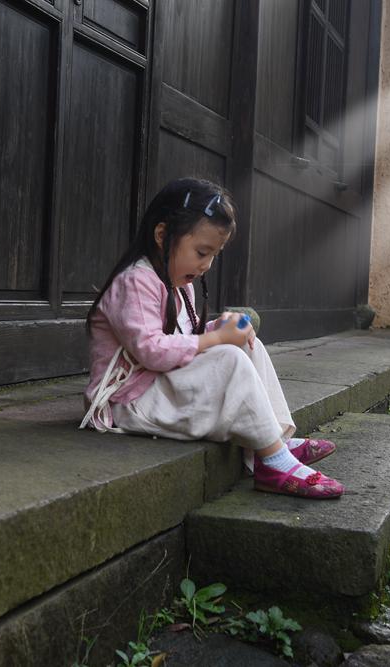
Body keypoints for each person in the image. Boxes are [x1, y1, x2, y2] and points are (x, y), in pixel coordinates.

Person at [80, 177, 344, 499]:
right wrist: (216, 340)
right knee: (228, 358)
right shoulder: (135, 281)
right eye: (201, 252)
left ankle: (276, 439)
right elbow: (151, 350)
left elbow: (184, 340)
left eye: (214, 255)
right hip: (128, 402)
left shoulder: (181, 285)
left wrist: (218, 330)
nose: (206, 265)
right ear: (162, 235)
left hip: (159, 386)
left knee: (247, 346)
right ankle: (273, 460)